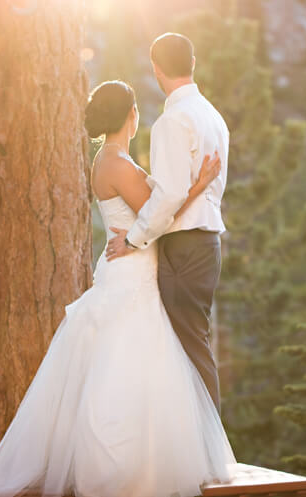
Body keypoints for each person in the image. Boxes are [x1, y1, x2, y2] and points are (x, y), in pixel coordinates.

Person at [0, 77, 236, 497]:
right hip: (130, 277)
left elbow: (153, 211)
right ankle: (121, 470)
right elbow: (159, 215)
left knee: (137, 369)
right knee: (125, 368)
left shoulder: (113, 159)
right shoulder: (115, 163)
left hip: (135, 271)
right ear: (132, 115)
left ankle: (142, 464)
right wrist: (199, 185)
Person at [105, 32, 230, 412]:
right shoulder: (213, 116)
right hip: (207, 243)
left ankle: (207, 451)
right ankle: (203, 449)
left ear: (157, 70)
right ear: (191, 64)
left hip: (183, 244)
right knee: (193, 342)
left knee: (185, 348)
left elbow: (170, 194)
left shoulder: (172, 121)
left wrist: (134, 239)